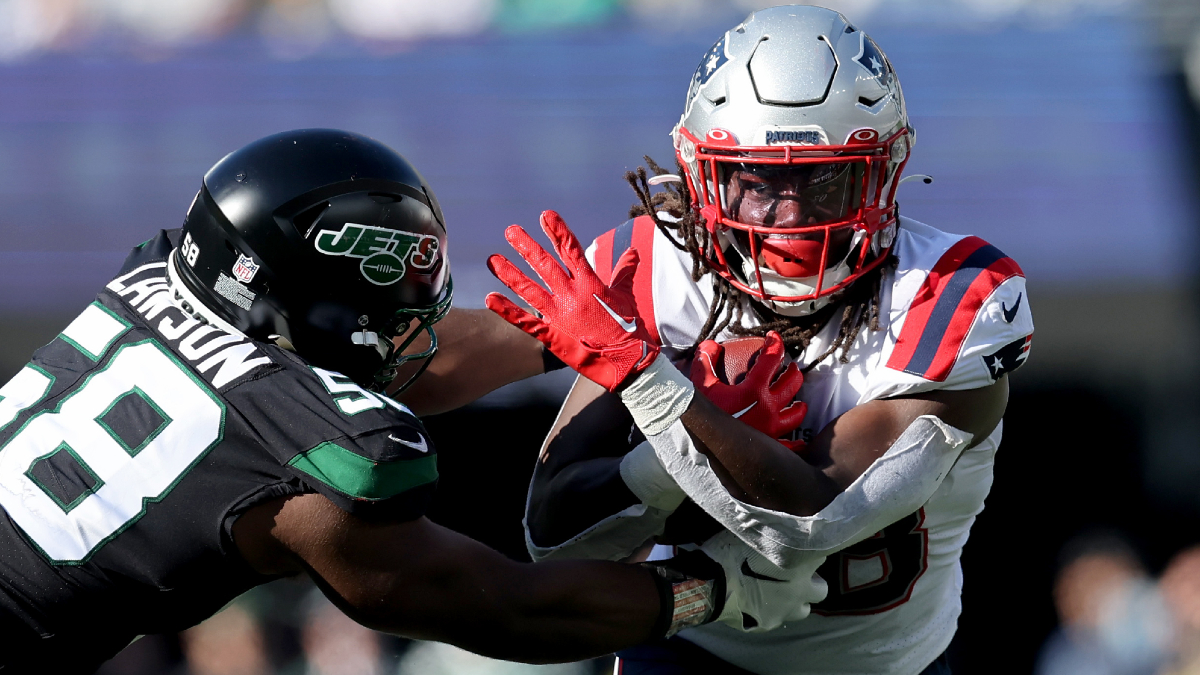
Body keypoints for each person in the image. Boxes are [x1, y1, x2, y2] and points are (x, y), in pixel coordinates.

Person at [0, 128, 756, 673]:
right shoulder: (309, 456)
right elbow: (511, 608)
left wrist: (574, 332)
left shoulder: (160, 275)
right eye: (393, 322)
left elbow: (365, 368)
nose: (413, 338)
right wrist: (710, 591)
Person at [484, 6, 1034, 674]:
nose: (792, 217)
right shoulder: (653, 269)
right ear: (701, 171)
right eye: (758, 181)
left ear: (885, 168)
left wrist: (654, 387)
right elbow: (552, 534)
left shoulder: (950, 296)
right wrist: (668, 460)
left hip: (888, 664)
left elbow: (812, 517)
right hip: (691, 653)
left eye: (826, 179)